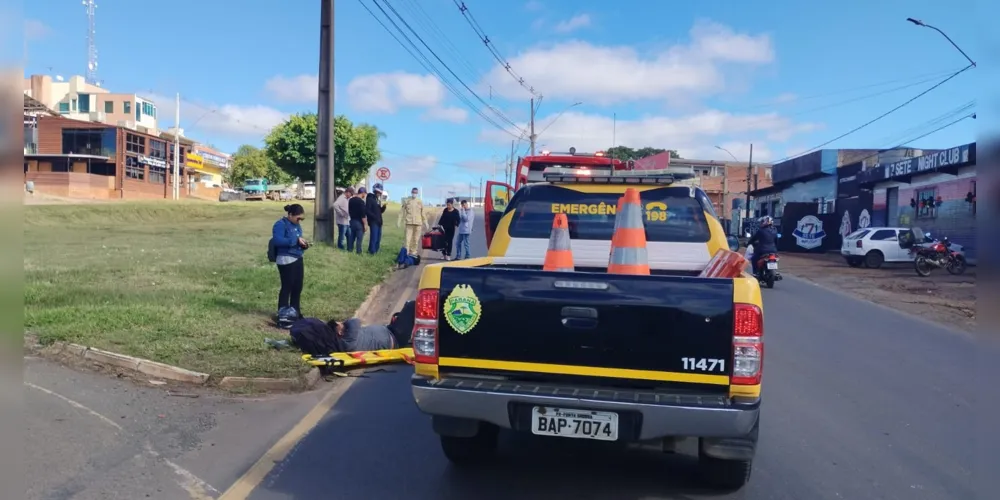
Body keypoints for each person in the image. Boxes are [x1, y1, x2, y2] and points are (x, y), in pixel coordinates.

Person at [273, 204, 310, 320]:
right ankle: (283, 313)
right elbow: (277, 241)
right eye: (298, 218)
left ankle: (295, 311)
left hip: (297, 257)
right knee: (287, 286)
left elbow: (299, 239)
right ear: (290, 215)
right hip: (286, 259)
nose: (299, 221)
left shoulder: (297, 226)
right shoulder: (280, 225)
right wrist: (295, 240)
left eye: (301, 219)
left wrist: (304, 244)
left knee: (297, 286)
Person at [328, 317, 407, 352]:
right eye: (340, 324)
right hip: (395, 338)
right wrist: (344, 323)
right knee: (411, 305)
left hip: (389, 330)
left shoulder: (348, 338)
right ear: (340, 332)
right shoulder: (348, 341)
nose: (342, 323)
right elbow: (355, 320)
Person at [398, 187, 427, 256]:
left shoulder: (420, 201)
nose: (414, 194)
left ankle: (413, 252)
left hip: (418, 223)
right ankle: (406, 252)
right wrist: (399, 221)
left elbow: (423, 212)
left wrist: (425, 221)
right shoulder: (407, 201)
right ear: (411, 192)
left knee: (416, 240)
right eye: (413, 192)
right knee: (408, 239)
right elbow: (402, 212)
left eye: (416, 192)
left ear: (417, 193)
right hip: (409, 223)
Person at [366, 183, 388, 255]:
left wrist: (383, 208)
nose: (379, 194)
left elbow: (379, 211)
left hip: (379, 222)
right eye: (378, 192)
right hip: (373, 222)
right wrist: (374, 217)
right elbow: (367, 211)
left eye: (380, 193)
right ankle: (372, 251)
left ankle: (376, 250)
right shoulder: (370, 198)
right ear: (375, 191)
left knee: (378, 238)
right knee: (374, 237)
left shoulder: (377, 200)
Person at [347, 187, 367, 254]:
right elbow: (363, 215)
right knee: (359, 238)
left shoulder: (351, 200)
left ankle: (349, 250)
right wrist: (365, 224)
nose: (365, 196)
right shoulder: (361, 202)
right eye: (365, 194)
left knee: (352, 237)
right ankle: (358, 252)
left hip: (352, 221)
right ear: (363, 193)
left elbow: (349, 210)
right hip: (359, 222)